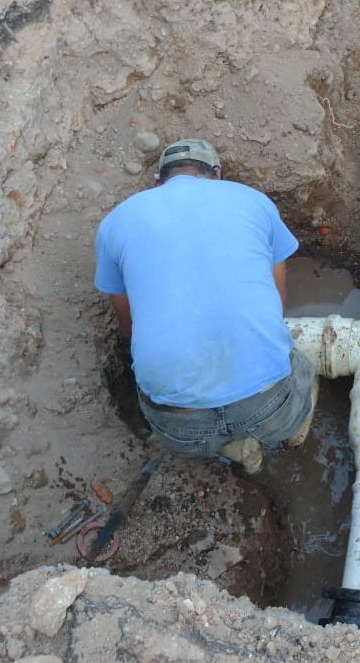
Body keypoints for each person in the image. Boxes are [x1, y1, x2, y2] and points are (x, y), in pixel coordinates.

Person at [94, 138, 318, 474]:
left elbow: (129, 329)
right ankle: (292, 431)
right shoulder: (253, 201)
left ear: (157, 183)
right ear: (217, 175)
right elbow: (279, 303)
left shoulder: (115, 222)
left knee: (204, 421)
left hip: (180, 428)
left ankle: (239, 451)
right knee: (301, 367)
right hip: (269, 408)